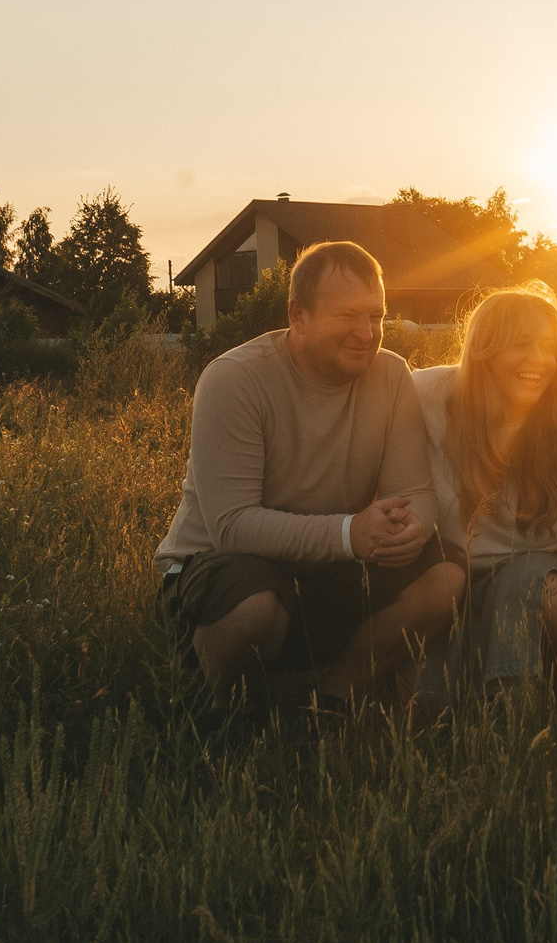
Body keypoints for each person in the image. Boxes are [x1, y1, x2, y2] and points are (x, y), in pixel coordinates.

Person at [155, 241, 465, 711]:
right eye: (348, 316)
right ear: (299, 316)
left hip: (328, 567)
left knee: (447, 571)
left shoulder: (391, 375)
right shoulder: (234, 379)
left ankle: (333, 695)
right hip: (221, 567)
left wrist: (413, 526)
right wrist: (349, 534)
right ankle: (217, 707)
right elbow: (233, 526)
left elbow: (416, 490)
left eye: (376, 316)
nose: (367, 332)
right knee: (255, 604)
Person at [413, 283, 557, 705]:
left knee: (526, 584)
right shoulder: (429, 397)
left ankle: (524, 700)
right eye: (521, 344)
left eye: (550, 347)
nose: (540, 361)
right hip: (454, 577)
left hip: (543, 578)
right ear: (482, 349)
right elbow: (370, 381)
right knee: (424, 701)